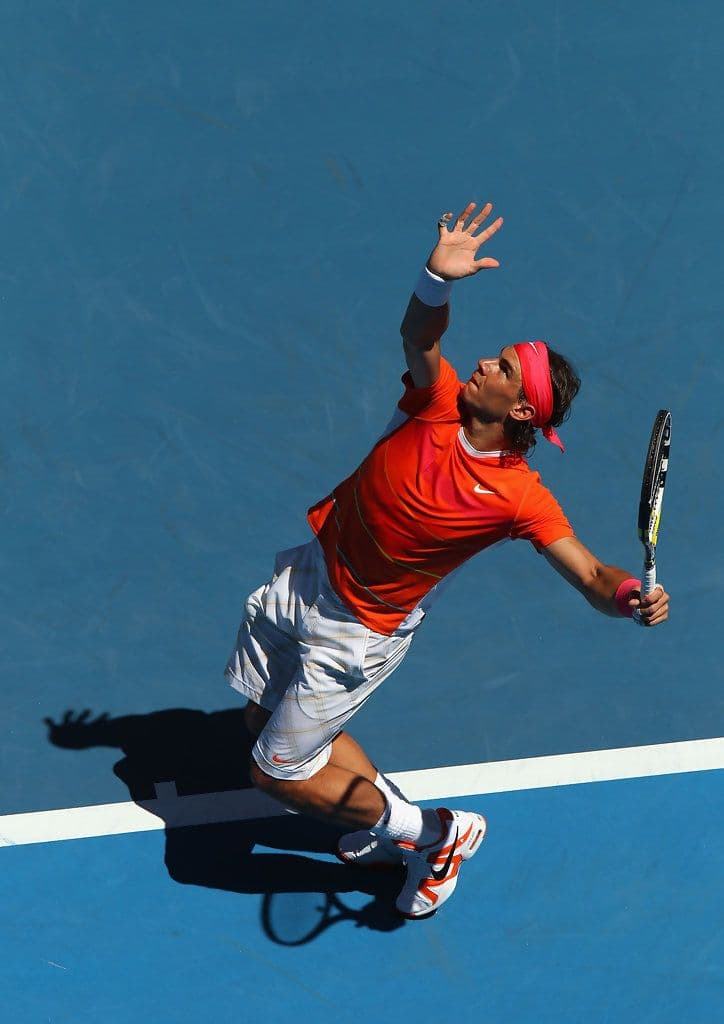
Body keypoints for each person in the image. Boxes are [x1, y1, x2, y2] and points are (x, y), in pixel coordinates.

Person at [224, 201, 670, 919]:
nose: (485, 363)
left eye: (501, 370)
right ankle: (394, 816)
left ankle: (435, 834)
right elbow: (418, 333)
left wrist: (629, 599)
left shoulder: (520, 498)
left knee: (273, 773)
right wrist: (438, 276)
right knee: (260, 718)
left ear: (522, 410)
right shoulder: (434, 403)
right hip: (310, 574)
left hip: (356, 633)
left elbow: (591, 574)